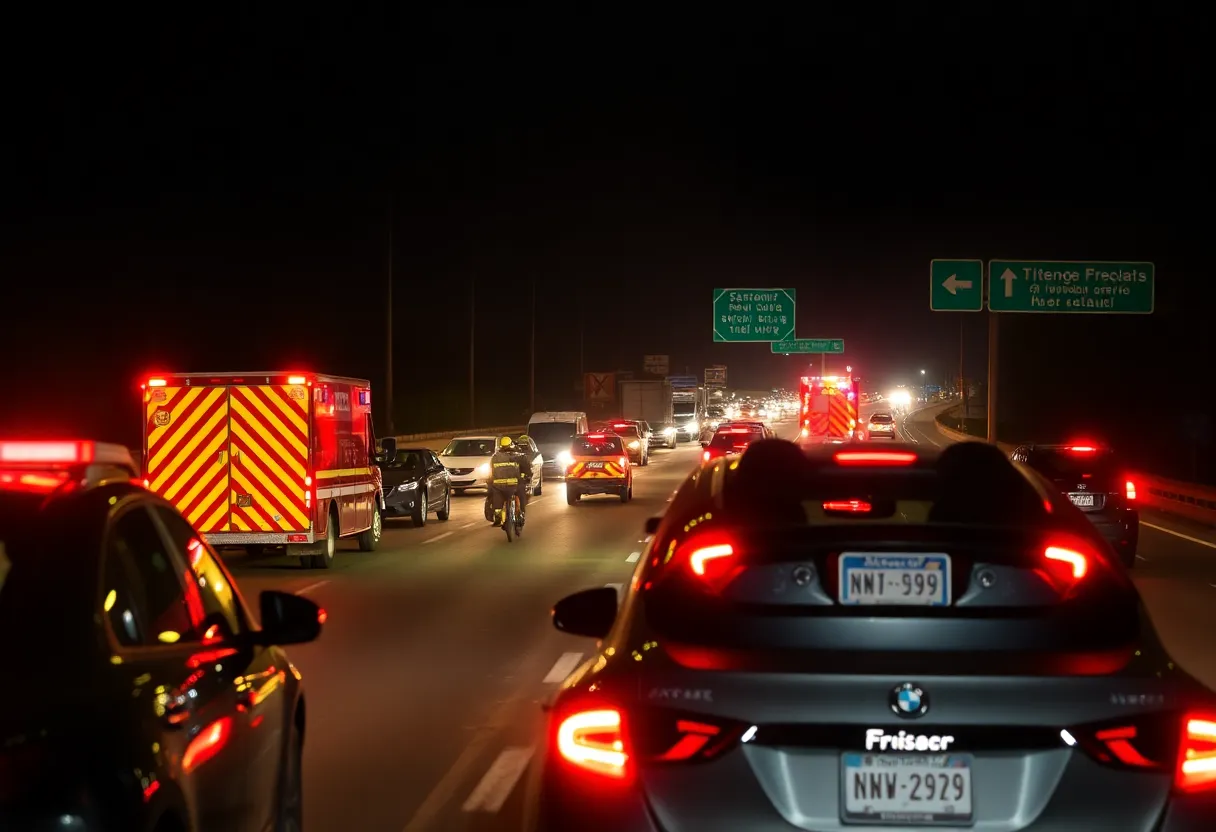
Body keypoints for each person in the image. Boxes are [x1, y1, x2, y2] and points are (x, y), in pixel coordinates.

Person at [487, 436, 521, 526]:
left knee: (496, 500)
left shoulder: (495, 457)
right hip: (513, 484)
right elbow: (523, 467)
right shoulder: (517, 456)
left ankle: (497, 518)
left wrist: (490, 481)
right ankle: (519, 513)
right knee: (520, 494)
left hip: (498, 485)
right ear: (511, 445)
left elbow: (491, 471)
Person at [514, 435, 535, 522]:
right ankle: (521, 514)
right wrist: (528, 476)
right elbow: (527, 469)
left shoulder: (498, 456)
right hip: (517, 482)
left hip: (501, 484)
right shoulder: (521, 456)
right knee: (522, 496)